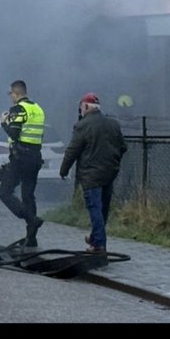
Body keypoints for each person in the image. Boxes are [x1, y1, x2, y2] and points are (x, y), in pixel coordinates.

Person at [59, 93, 127, 253]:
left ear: (87, 107)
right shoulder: (113, 124)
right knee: (103, 208)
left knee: (94, 207)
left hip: (91, 174)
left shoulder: (82, 126)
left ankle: (99, 245)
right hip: (110, 173)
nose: (80, 111)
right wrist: (114, 160)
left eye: (81, 107)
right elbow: (123, 147)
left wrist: (64, 170)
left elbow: (72, 150)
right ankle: (96, 237)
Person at [0, 79, 46, 247]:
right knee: (28, 195)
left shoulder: (18, 109)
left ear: (16, 93)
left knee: (4, 192)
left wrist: (4, 123)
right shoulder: (38, 109)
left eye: (11, 93)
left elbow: (15, 134)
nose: (10, 97)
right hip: (35, 157)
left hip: (21, 158)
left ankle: (32, 219)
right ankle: (31, 238)